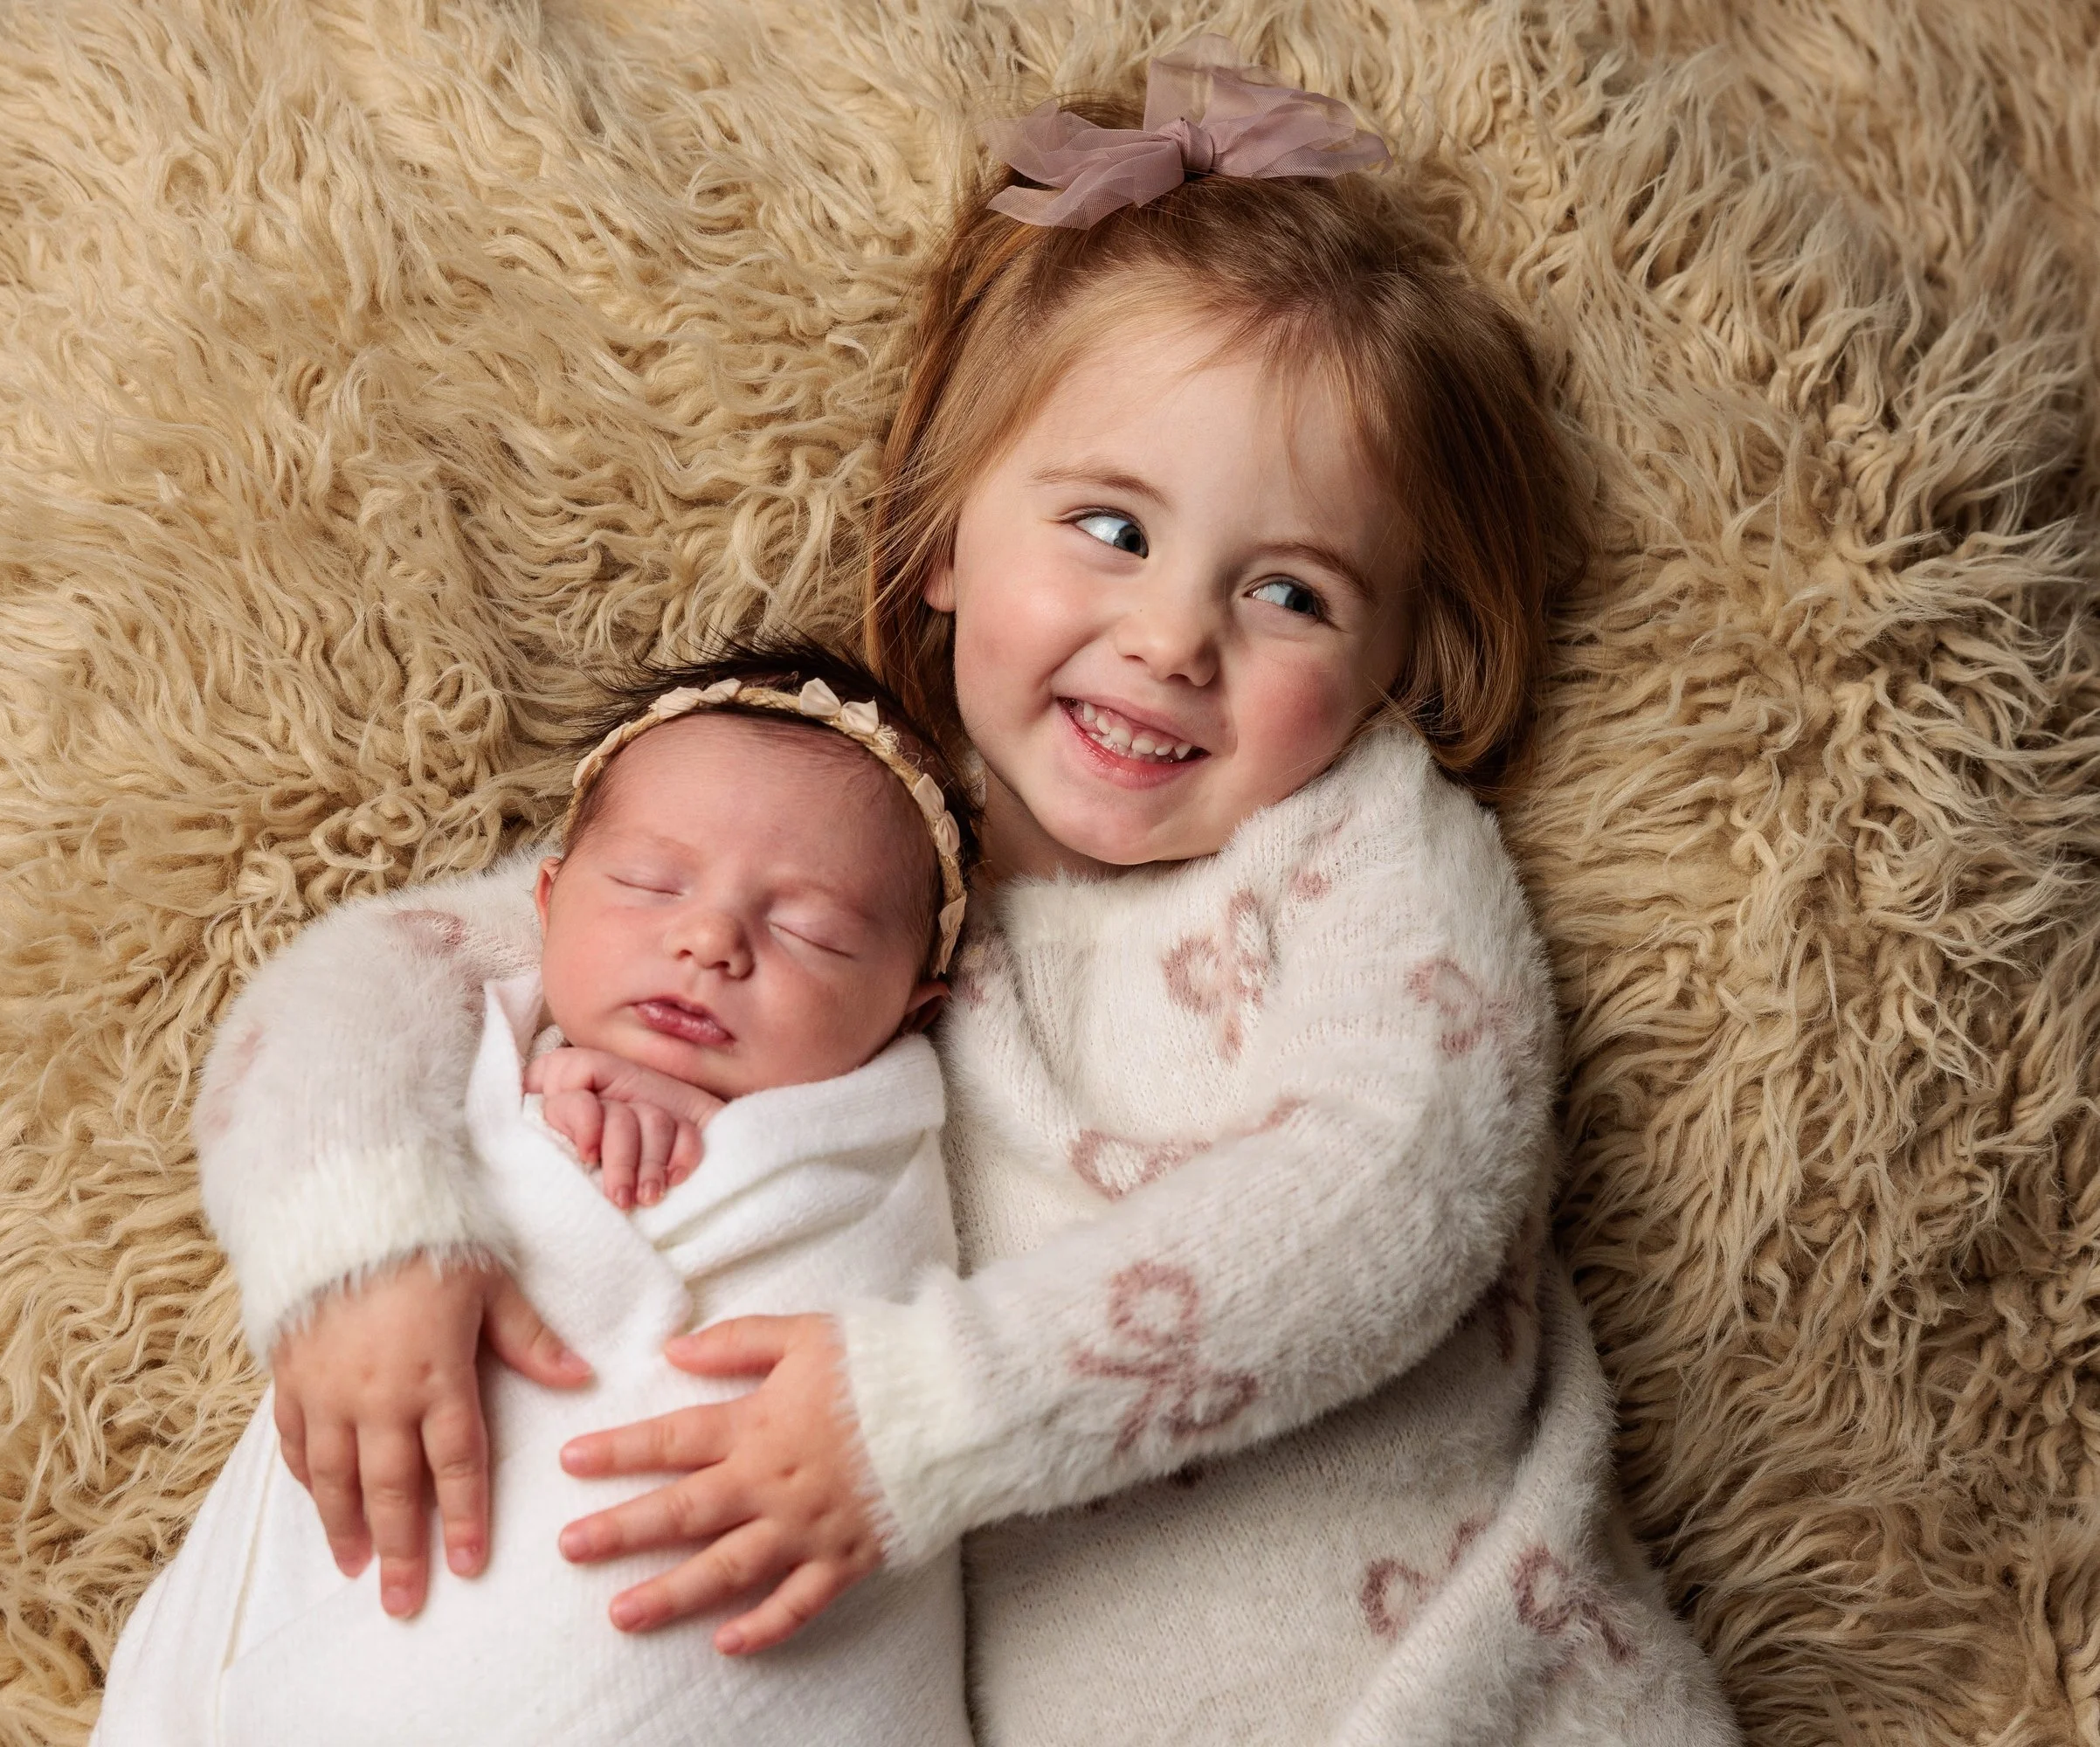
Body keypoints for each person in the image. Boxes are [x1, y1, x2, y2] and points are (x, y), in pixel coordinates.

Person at [173, 37, 1738, 1744]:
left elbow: (1399, 1178)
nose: (1168, 638)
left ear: (1390, 659)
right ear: (945, 537)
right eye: (1111, 529)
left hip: (1459, 1676)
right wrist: (357, 1247)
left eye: (1287, 591)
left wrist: (924, 1418)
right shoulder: (850, 831)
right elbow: (365, 979)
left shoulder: (1353, 847)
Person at [94, 648, 980, 1746]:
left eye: (813, 931)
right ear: (549, 901)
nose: (710, 940)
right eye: (653, 883)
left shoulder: (868, 1161)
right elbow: (308, 1089)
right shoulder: (467, 1059)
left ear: (911, 1010)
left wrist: (701, 1141)